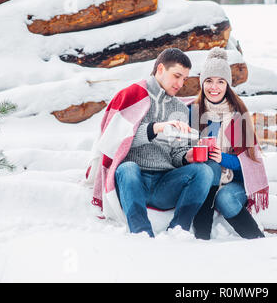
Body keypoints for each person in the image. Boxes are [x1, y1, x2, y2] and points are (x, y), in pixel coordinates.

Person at [88, 48, 219, 238]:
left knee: (204, 171)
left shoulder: (180, 109)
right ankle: (141, 232)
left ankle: (179, 230)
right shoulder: (134, 96)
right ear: (160, 69)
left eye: (184, 79)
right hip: (133, 180)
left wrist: (186, 156)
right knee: (128, 168)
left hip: (164, 184)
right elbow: (116, 142)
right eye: (177, 76)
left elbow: (176, 155)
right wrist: (156, 128)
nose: (181, 83)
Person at [190, 47, 269, 240]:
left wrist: (222, 158)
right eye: (209, 81)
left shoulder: (237, 116)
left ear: (227, 85)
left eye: (220, 81)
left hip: (234, 182)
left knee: (225, 198)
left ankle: (257, 240)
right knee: (209, 171)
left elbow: (250, 163)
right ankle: (201, 241)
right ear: (202, 83)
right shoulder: (192, 112)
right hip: (203, 178)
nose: (214, 87)